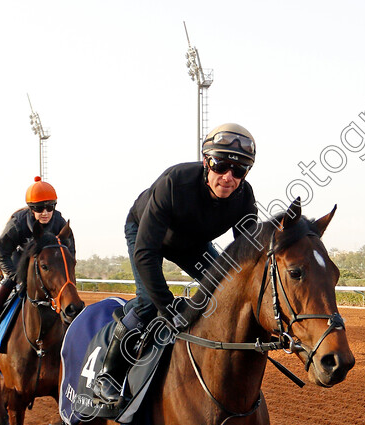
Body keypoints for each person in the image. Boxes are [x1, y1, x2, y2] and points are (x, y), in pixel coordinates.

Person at [92, 123, 258, 406]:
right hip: (146, 235)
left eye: (239, 170)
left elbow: (248, 257)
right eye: (221, 166)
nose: (228, 177)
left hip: (191, 242)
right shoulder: (174, 181)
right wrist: (167, 307)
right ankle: (108, 375)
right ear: (206, 163)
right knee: (148, 300)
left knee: (226, 289)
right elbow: (145, 253)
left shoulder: (244, 198)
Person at [0, 176, 75, 335]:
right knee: (9, 280)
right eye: (39, 208)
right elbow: (1, 254)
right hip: (20, 261)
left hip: (48, 264)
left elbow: (70, 253)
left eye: (50, 207)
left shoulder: (60, 223)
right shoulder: (17, 224)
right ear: (31, 208)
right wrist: (16, 276)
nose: (45, 213)